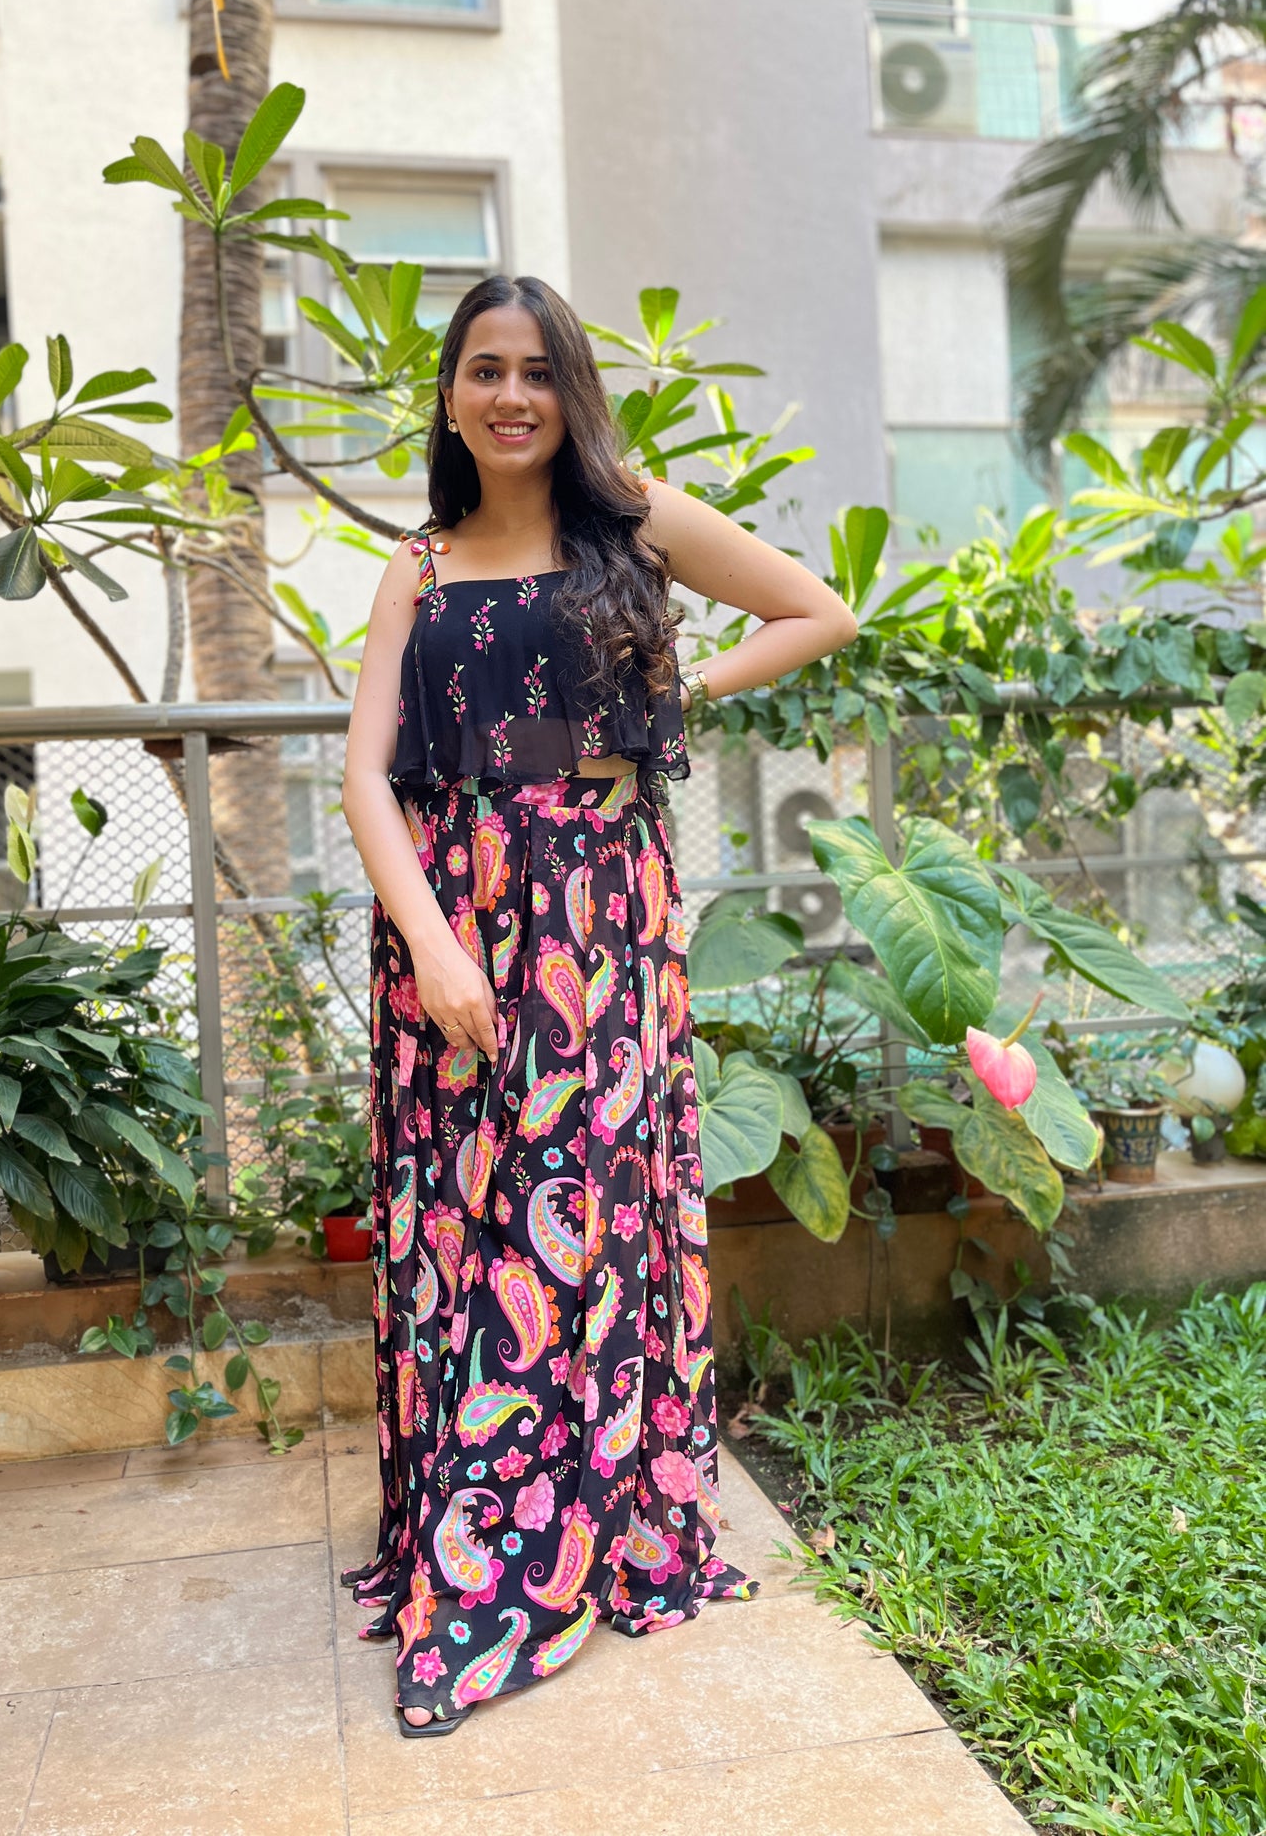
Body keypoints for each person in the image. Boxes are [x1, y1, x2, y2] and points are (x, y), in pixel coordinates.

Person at [339, 274, 858, 1736]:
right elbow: (367, 771)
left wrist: (657, 710)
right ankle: (474, 1508)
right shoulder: (417, 569)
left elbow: (817, 610)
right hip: (443, 925)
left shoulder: (630, 521)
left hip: (598, 925)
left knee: (585, 1210)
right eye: (482, 370)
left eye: (537, 371)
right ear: (448, 394)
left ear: (570, 390)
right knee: (459, 1221)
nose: (510, 395)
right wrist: (436, 946)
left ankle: (576, 1525)